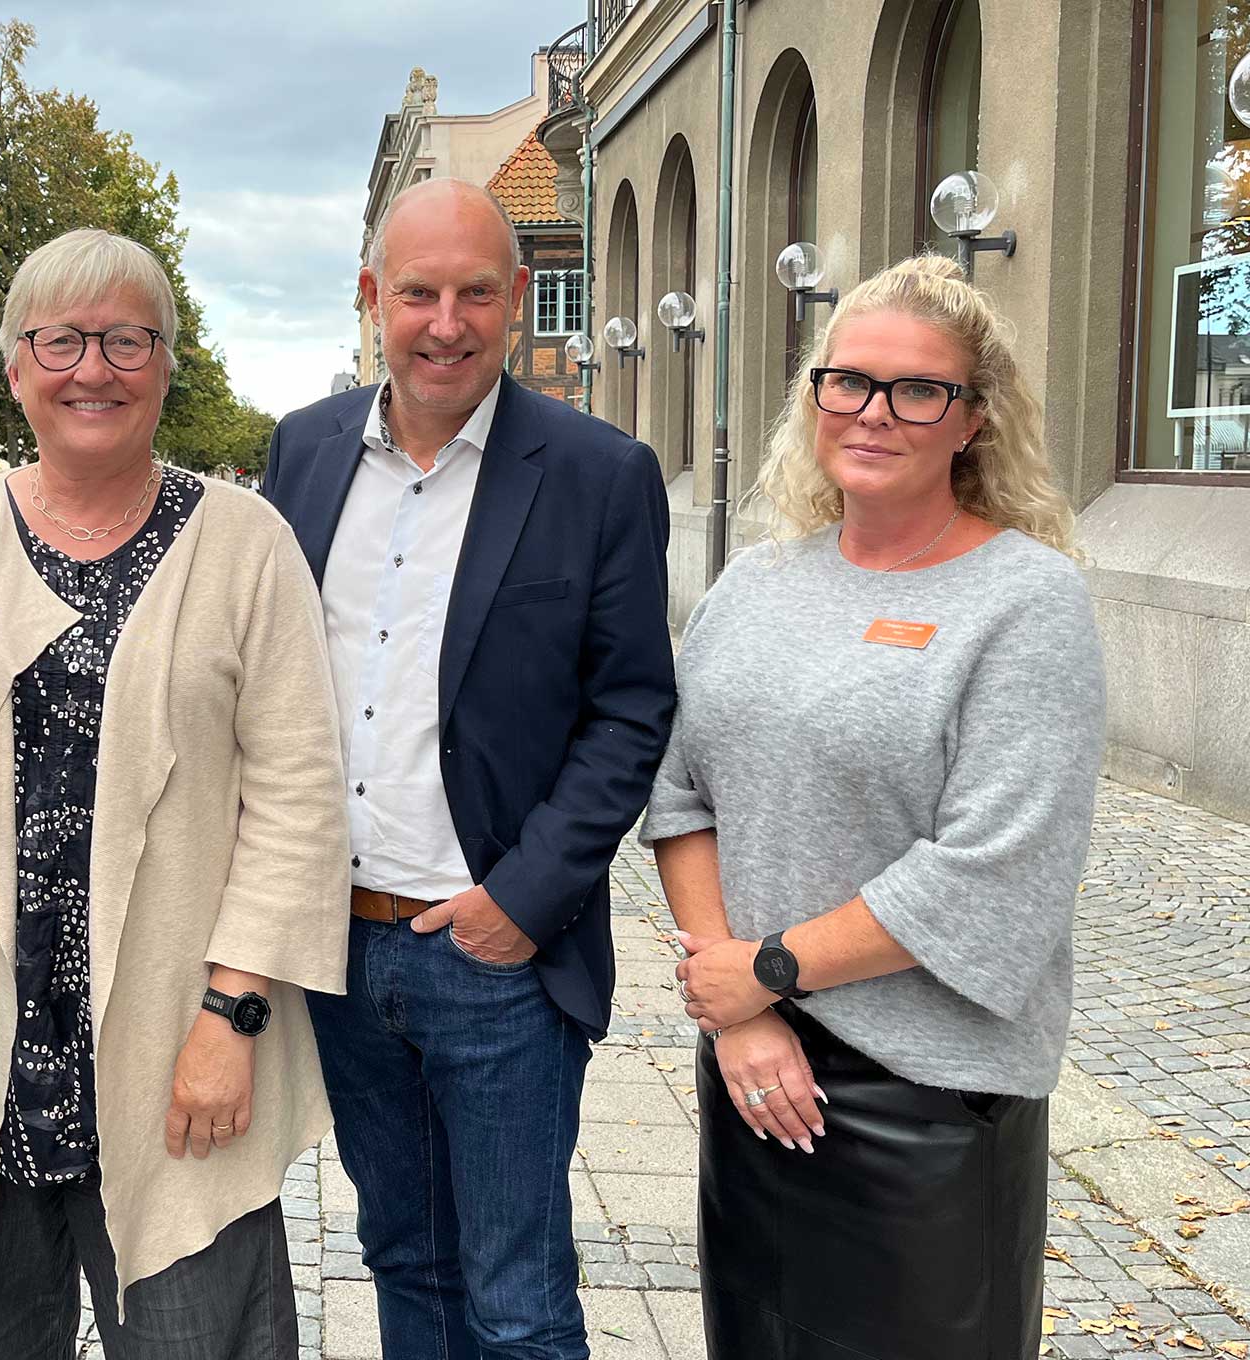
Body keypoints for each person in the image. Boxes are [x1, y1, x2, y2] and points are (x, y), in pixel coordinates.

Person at [0, 227, 349, 1360]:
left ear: (167, 361)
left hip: (178, 1056)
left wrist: (232, 1018)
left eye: (127, 338)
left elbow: (299, 796)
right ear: (12, 368)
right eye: (61, 339)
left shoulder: (244, 542)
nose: (94, 367)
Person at [640, 253, 1107, 1359]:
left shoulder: (1023, 602)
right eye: (845, 381)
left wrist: (766, 971)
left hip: (926, 1105)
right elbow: (676, 795)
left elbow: (993, 868)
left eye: (918, 391)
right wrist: (743, 1010)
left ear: (972, 420)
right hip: (755, 1073)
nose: (873, 413)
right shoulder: (753, 586)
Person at [262, 177, 677, 1358]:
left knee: (517, 1299)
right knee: (403, 1257)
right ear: (370, 299)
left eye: (476, 294)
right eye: (417, 293)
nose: (445, 323)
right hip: (340, 945)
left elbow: (630, 711)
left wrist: (519, 902)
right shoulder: (300, 452)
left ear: (514, 303)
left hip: (492, 949)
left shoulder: (599, 473)